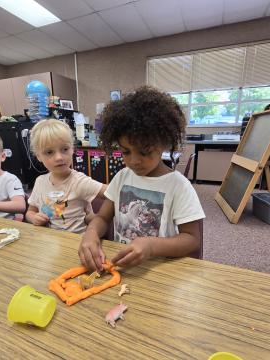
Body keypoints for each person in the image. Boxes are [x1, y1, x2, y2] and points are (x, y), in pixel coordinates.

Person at [79, 86, 205, 271]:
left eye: (145, 151)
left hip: (159, 270)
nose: (134, 160)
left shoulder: (178, 186)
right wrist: (91, 233)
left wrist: (152, 246)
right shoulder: (122, 177)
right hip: (121, 267)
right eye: (126, 151)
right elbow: (103, 218)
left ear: (164, 143)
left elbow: (192, 239)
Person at [25, 119, 106, 234]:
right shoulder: (39, 182)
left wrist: (101, 219)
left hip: (75, 243)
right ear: (38, 156)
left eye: (65, 149)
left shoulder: (79, 181)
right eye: (49, 152)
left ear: (72, 149)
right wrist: (34, 218)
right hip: (49, 242)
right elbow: (30, 212)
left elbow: (111, 193)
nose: (59, 157)